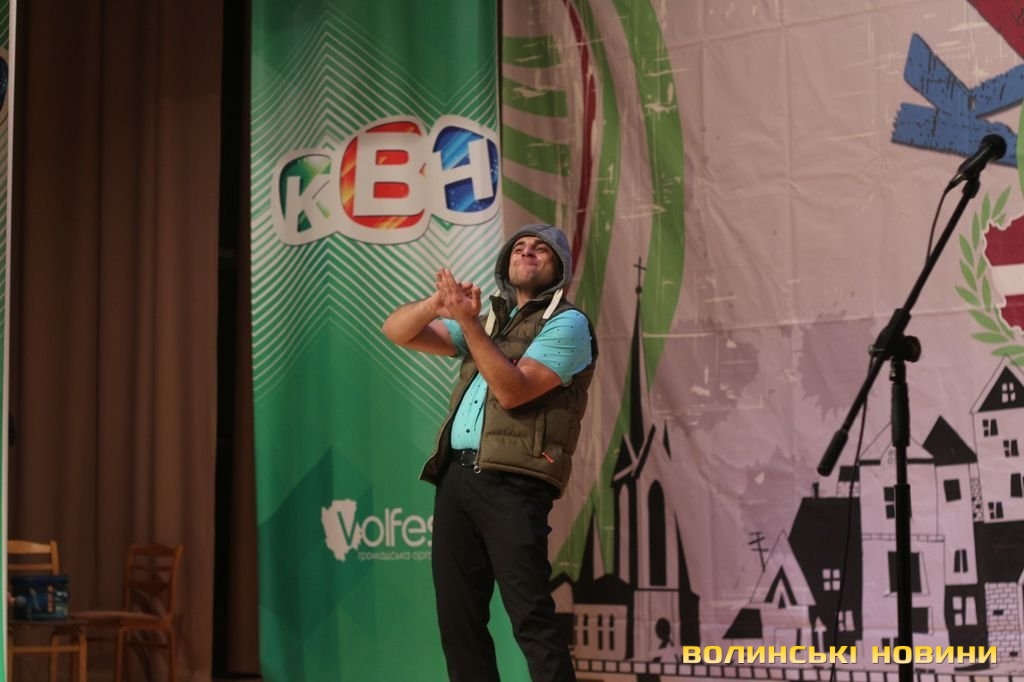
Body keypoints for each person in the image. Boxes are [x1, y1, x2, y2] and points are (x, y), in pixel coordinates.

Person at [382, 223, 597, 682]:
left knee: (530, 617)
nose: (528, 251)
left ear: (559, 267)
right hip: (457, 477)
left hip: (515, 483)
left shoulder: (568, 323)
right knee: (458, 620)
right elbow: (396, 331)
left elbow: (513, 391)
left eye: (541, 249)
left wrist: (467, 323)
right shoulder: (492, 323)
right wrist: (437, 305)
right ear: (506, 264)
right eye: (519, 247)